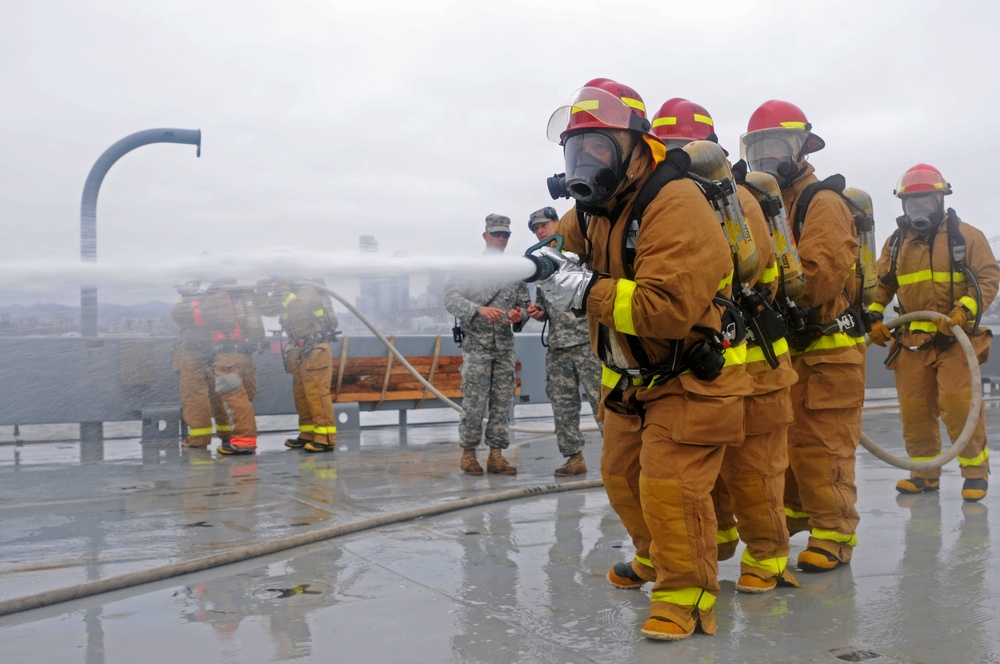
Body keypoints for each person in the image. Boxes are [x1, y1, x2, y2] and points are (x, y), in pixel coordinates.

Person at [538, 78, 753, 641]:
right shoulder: (592, 211)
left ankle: (687, 595)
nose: (586, 162)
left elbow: (667, 309)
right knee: (620, 477)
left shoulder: (674, 201)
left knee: (670, 487)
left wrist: (585, 291)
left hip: (690, 375)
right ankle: (658, 557)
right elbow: (560, 254)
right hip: (631, 381)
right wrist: (542, 265)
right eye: (577, 150)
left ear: (636, 146)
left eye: (599, 147)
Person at [651, 98, 798, 592]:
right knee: (699, 474)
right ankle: (718, 541)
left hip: (754, 359)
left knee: (754, 469)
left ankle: (769, 557)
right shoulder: (660, 205)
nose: (678, 159)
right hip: (700, 365)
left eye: (686, 149)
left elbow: (756, 280)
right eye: (668, 149)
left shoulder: (740, 202)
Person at [741, 99, 865, 573]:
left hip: (827, 355)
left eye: (776, 146)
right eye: (759, 148)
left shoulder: (823, 203)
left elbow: (817, 280)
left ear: (803, 147)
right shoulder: (766, 204)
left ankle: (834, 533)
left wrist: (764, 288)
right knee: (789, 449)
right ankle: (796, 517)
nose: (767, 158)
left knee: (823, 447)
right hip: (790, 357)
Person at [868, 164, 999, 501]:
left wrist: (963, 311)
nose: (918, 210)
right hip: (910, 342)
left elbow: (987, 278)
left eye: (925, 202)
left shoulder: (966, 237)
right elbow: (883, 287)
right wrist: (873, 318)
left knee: (959, 406)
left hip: (955, 339)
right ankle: (924, 475)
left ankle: (975, 473)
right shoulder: (896, 244)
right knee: (914, 409)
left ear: (940, 199)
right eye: (912, 204)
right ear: (902, 206)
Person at [444, 214, 531, 475]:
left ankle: (496, 455)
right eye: (496, 234)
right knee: (473, 402)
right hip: (477, 346)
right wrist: (478, 309)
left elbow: (525, 305)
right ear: (485, 236)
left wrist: (520, 316)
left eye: (505, 235)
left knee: (503, 403)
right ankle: (468, 454)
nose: (501, 239)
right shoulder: (470, 268)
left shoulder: (515, 271)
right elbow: (450, 298)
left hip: (504, 347)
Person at [525, 206, 603, 477]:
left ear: (558, 223)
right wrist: (540, 311)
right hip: (559, 347)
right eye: (536, 229)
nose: (540, 231)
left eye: (544, 225)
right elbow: (546, 303)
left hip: (587, 342)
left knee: (602, 402)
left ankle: (619, 456)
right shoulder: (545, 265)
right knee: (562, 404)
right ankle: (573, 457)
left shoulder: (581, 254)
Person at [259, 277, 341, 454]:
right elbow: (268, 310)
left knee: (316, 394)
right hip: (299, 350)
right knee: (302, 395)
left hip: (315, 349)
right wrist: (262, 290)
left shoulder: (307, 289)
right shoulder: (289, 292)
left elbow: (299, 307)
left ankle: (325, 438)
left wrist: (282, 290)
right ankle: (308, 434)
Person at [201, 279, 259, 455]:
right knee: (245, 397)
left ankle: (243, 441)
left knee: (234, 398)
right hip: (244, 355)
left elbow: (202, 320)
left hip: (226, 356)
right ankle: (243, 438)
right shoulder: (240, 297)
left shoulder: (216, 297)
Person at [171, 280, 232, 449]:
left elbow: (178, 317)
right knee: (220, 394)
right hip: (215, 353)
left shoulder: (191, 300)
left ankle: (199, 438)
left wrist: (184, 298)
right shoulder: (212, 299)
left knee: (194, 396)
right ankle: (228, 434)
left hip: (192, 354)